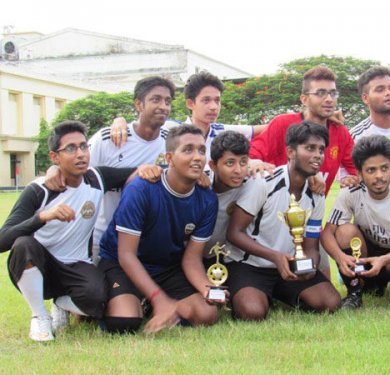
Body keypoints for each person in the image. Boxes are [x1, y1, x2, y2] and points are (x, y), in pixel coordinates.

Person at [0, 121, 136, 341]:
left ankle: (61, 303)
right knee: (24, 244)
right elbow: (3, 240)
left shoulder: (96, 178)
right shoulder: (39, 190)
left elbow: (137, 171)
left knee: (98, 300)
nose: (80, 154)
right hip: (40, 265)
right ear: (55, 157)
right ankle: (39, 316)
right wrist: (42, 217)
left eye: (84, 146)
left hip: (77, 265)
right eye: (71, 149)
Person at [98, 125, 220, 334]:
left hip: (166, 267)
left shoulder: (207, 199)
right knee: (123, 322)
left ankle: (149, 304)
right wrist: (160, 299)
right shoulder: (141, 188)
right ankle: (149, 302)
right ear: (169, 158)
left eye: (201, 150)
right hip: (122, 263)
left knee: (207, 315)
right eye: (188, 150)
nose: (197, 157)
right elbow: (126, 255)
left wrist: (209, 291)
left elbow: (191, 259)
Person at [45, 76, 175, 259]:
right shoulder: (108, 139)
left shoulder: (171, 141)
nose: (163, 106)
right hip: (104, 239)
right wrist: (54, 169)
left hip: (149, 242)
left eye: (168, 101)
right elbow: (76, 168)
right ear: (138, 104)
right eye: (156, 99)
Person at [249, 66, 358, 278]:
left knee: (322, 286)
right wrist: (254, 162)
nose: (329, 99)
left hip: (309, 224)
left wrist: (351, 179)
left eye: (333, 93)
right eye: (320, 93)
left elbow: (358, 169)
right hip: (271, 223)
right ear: (304, 99)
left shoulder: (340, 132)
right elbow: (253, 156)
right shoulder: (282, 124)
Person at [225, 121, 342, 321]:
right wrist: (276, 257)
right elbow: (234, 233)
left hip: (288, 266)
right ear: (291, 152)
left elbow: (311, 244)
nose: (317, 155)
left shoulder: (317, 194)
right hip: (250, 264)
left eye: (321, 150)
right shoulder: (264, 183)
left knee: (330, 303)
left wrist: (311, 266)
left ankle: (277, 292)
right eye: (310, 148)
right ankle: (256, 293)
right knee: (252, 312)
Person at [320, 134, 390, 309]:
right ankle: (355, 291)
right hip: (366, 257)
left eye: (384, 168)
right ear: (359, 172)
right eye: (371, 170)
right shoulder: (350, 194)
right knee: (345, 231)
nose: (379, 176)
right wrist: (341, 258)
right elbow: (327, 234)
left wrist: (383, 260)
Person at [110, 71, 267, 162]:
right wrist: (119, 121)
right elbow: (141, 125)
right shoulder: (171, 129)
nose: (213, 106)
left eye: (217, 101)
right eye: (206, 100)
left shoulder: (222, 132)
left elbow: (265, 128)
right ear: (190, 103)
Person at [183, 131, 250, 295]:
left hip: (224, 257)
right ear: (213, 165)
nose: (238, 170)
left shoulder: (251, 184)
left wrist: (313, 177)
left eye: (243, 162)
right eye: (230, 163)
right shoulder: (197, 181)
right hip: (186, 256)